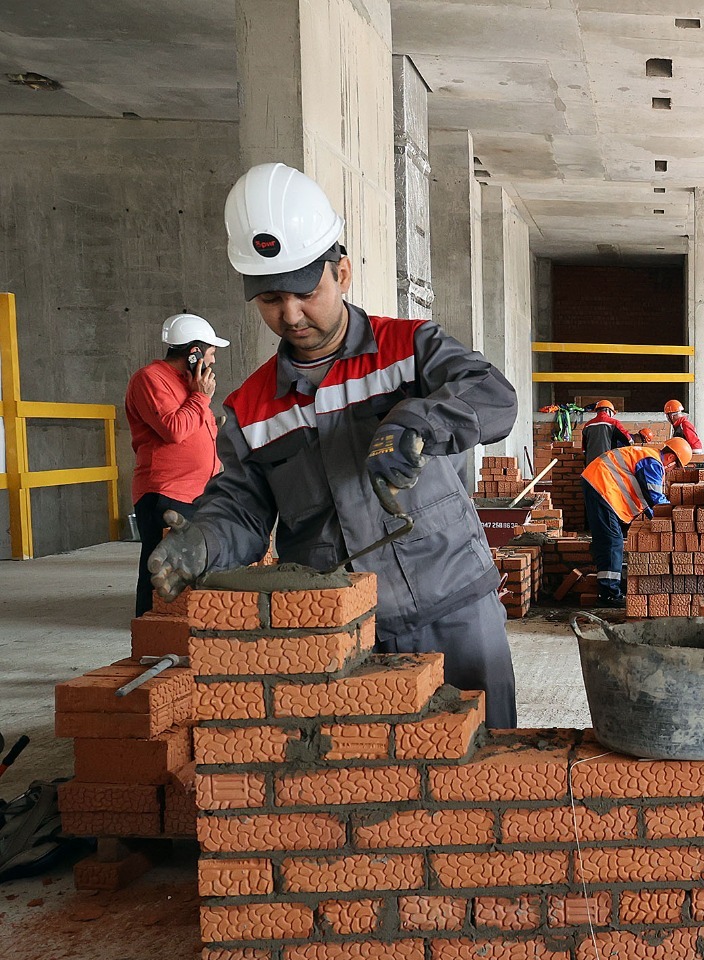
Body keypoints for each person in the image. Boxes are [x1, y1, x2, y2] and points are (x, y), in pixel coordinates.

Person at [147, 162, 520, 727]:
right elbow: (242, 510)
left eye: (304, 292)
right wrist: (205, 540)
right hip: (338, 629)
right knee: (363, 788)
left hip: (454, 611)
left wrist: (415, 420)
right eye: (271, 300)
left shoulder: (411, 349)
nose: (290, 315)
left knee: (487, 777)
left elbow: (494, 396)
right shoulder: (249, 409)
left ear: (340, 272)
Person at [125, 313, 226, 616]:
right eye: (211, 353)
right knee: (160, 563)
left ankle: (180, 625)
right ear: (194, 353)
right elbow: (173, 429)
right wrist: (200, 399)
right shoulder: (150, 379)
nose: (213, 361)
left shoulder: (187, 383)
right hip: (166, 492)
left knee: (188, 562)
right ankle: (150, 624)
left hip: (194, 490)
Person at [583, 437, 693, 608]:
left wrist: (656, 519)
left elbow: (645, 498)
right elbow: (655, 498)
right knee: (613, 541)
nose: (673, 470)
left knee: (609, 538)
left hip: (600, 483)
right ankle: (609, 594)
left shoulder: (648, 457)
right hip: (601, 485)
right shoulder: (653, 462)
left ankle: (609, 582)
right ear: (671, 458)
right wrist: (672, 519)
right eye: (676, 466)